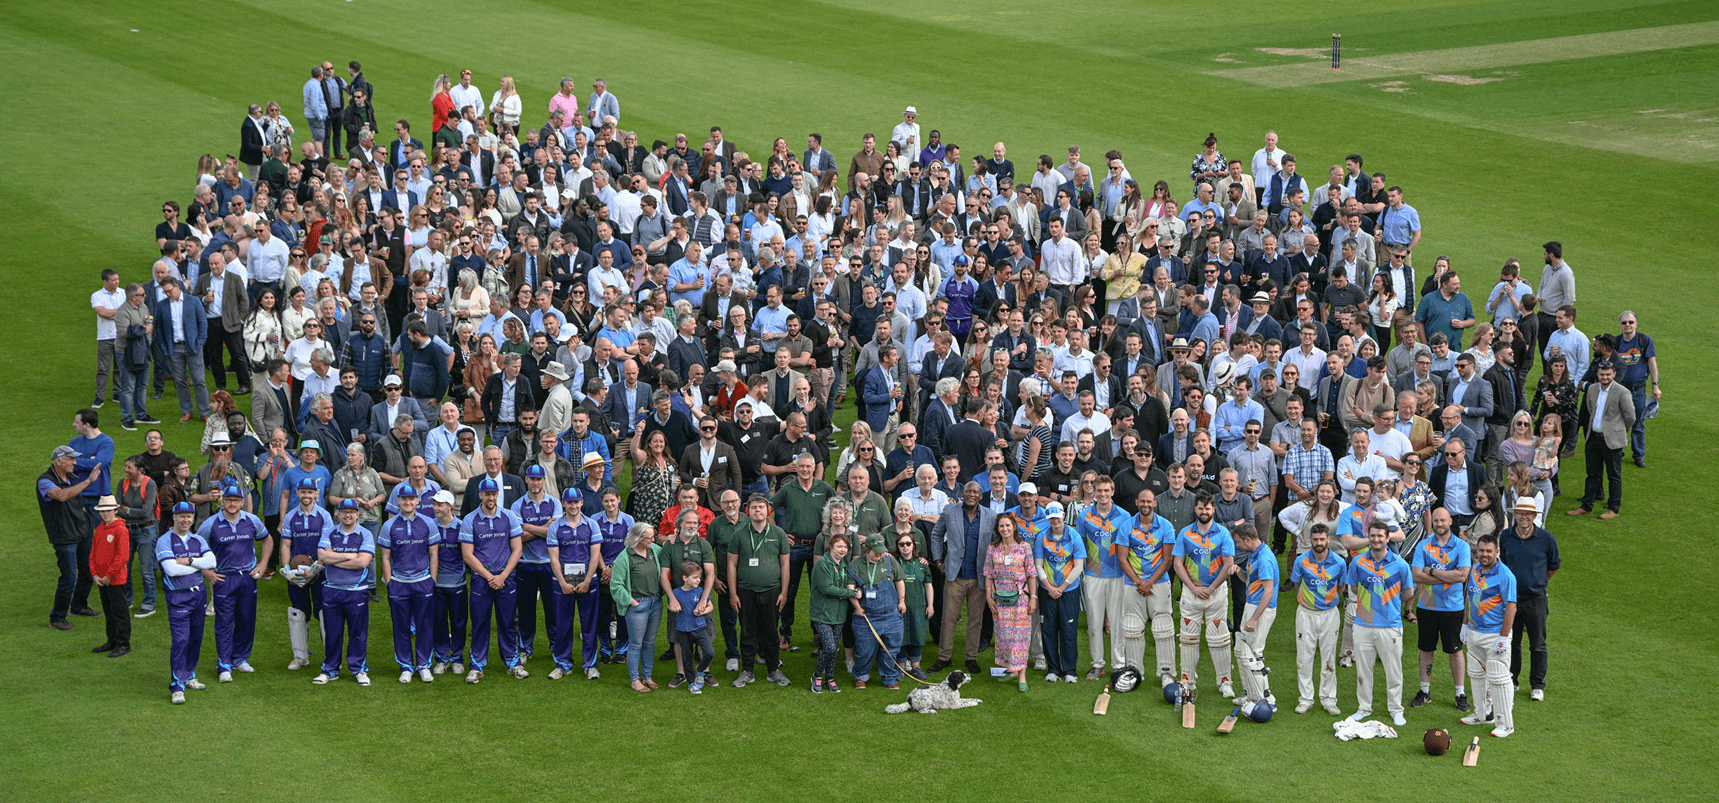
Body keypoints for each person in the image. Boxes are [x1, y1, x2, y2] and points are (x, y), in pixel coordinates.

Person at [196, 483, 271, 682]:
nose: (232, 504)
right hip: (223, 578)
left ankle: (240, 659)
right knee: (224, 622)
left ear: (242, 502)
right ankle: (224, 664)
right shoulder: (210, 524)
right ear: (222, 501)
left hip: (247, 577)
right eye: (228, 500)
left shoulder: (252, 521)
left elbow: (268, 540)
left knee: (246, 618)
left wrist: (263, 564)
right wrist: (207, 572)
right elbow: (196, 548)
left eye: (236, 500)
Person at [1344, 520, 1413, 726]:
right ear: (1369, 536)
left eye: (1380, 536)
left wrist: (1387, 603)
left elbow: (1408, 593)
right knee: (1363, 670)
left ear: (1387, 538)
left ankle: (1396, 709)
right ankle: (1364, 708)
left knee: (1393, 670)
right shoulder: (1357, 563)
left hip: (1390, 624)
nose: (1376, 539)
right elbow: (1354, 589)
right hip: (1363, 624)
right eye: (1372, 535)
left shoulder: (1400, 564)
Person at [459, 478, 525, 683]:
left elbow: (517, 549)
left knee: (507, 622)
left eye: (493, 494)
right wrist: (490, 577)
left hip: (506, 578)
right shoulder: (470, 519)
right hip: (482, 580)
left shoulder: (509, 517)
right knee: (479, 623)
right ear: (480, 495)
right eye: (486, 494)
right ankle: (477, 665)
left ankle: (513, 663)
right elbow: (467, 555)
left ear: (498, 495)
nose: (490, 497)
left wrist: (503, 576)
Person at [929, 481, 997, 674]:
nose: (971, 494)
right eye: (968, 491)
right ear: (963, 493)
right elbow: (936, 534)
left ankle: (971, 658)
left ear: (980, 495)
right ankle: (944, 658)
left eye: (975, 492)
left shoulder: (990, 515)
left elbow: (995, 542)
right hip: (954, 575)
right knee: (948, 619)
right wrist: (938, 560)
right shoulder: (950, 511)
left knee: (976, 620)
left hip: (979, 577)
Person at [1410, 508, 1473, 712]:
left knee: (1455, 650)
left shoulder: (1461, 546)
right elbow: (1416, 576)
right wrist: (1448, 575)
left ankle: (1460, 693)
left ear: (1449, 521)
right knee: (1426, 649)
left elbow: (1463, 576)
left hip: (1453, 608)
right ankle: (1425, 691)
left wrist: (1432, 571)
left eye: (1442, 520)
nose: (1439, 523)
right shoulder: (1423, 545)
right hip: (1427, 606)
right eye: (1436, 520)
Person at [1173, 492, 1235, 697]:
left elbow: (1228, 565)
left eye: (1207, 508)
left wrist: (1210, 588)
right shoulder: (1185, 533)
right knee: (1188, 638)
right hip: (1191, 593)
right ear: (1195, 509)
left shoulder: (1223, 533)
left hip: (1216, 592)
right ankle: (1187, 679)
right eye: (1200, 508)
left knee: (1220, 639)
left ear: (1213, 509)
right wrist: (1192, 587)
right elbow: (1177, 564)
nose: (1204, 512)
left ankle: (1225, 681)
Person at [727, 493, 791, 688]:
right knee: (747, 631)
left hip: (772, 591)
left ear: (768, 510)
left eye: (761, 507)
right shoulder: (738, 534)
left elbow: (785, 564)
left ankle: (773, 670)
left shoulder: (778, 533)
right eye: (754, 507)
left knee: (771, 631)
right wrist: (733, 593)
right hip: (746, 591)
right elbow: (731, 565)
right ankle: (747, 670)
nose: (757, 510)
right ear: (748, 511)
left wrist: (784, 592)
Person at [378, 485, 440, 683]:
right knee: (401, 627)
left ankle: (423, 665)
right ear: (398, 501)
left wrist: (432, 580)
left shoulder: (428, 523)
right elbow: (385, 558)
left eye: (411, 499)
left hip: (423, 582)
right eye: (403, 499)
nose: (407, 502)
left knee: (424, 625)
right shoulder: (389, 526)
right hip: (399, 583)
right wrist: (390, 583)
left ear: (417, 501)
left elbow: (433, 554)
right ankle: (406, 666)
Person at [1461, 532, 1520, 737]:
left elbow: (1511, 607)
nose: (1484, 554)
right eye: (1481, 550)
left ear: (1496, 552)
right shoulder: (1475, 570)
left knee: (1498, 678)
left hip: (1495, 635)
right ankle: (1481, 715)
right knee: (1476, 675)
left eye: (1488, 551)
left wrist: (1504, 637)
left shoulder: (1505, 575)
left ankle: (1505, 724)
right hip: (1474, 632)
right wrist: (1464, 624)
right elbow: (1470, 598)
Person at [156, 501, 215, 703]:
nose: (186, 519)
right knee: (181, 640)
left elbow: (212, 562)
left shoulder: (198, 540)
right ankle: (177, 685)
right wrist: (199, 565)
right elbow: (171, 570)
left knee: (196, 637)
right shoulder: (164, 541)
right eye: (182, 516)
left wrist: (189, 561)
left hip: (198, 594)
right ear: (174, 517)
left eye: (189, 516)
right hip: (177, 596)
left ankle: (189, 675)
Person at [313, 498, 375, 686]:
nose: (348, 515)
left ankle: (359, 669)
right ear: (338, 514)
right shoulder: (329, 532)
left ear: (358, 514)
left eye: (352, 512)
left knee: (358, 632)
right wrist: (349, 555)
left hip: (356, 591)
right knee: (332, 632)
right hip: (331, 589)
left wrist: (334, 558)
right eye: (344, 512)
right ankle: (330, 670)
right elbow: (322, 556)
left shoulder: (365, 534)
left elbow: (363, 562)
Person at [1075, 475, 1131, 680]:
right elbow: (1079, 546)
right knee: (1094, 621)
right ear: (1093, 491)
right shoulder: (1084, 516)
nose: (1103, 494)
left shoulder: (1125, 516)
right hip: (1093, 574)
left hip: (1118, 575)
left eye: (1106, 491)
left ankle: (1118, 664)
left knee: (1117, 622)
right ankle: (1097, 664)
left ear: (1112, 492)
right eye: (1099, 491)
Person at [1502, 498, 1558, 702]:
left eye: (1528, 513)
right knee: (1512, 642)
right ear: (1514, 515)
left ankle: (1537, 685)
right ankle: (1512, 679)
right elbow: (1504, 565)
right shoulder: (1505, 537)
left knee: (1538, 644)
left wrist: (1537, 582)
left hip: (1536, 600)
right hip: (1512, 600)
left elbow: (1554, 566)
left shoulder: (1546, 539)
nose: (1524, 517)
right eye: (1520, 513)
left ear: (1535, 516)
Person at [40, 444, 101, 630]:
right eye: (71, 459)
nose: (75, 462)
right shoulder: (44, 481)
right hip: (64, 536)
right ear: (59, 461)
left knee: (88, 572)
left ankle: (79, 606)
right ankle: (57, 618)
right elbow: (61, 496)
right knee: (68, 578)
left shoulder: (71, 477)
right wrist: (88, 481)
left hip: (82, 532)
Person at [1288, 523, 1346, 714]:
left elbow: (1341, 587)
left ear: (1328, 539)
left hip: (1330, 615)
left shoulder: (1338, 562)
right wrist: (1306, 601)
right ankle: (1305, 699)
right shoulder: (1301, 561)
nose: (1319, 543)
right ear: (1310, 540)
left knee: (1329, 658)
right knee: (1304, 657)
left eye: (1322, 539)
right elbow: (1296, 584)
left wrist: (1328, 601)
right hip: (1306, 614)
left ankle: (1329, 699)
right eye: (1315, 539)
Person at [1569, 360, 1634, 520]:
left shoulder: (1622, 392)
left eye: (1608, 374)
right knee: (1592, 474)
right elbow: (1590, 411)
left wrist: (1618, 431)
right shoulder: (1591, 389)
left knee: (1614, 475)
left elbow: (1630, 417)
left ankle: (1613, 508)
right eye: (1602, 374)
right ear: (1597, 375)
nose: (1605, 377)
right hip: (1593, 438)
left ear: (1614, 374)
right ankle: (1587, 505)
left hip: (1612, 440)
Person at [281, 478, 333, 670]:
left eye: (310, 492)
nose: (306, 495)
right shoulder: (290, 517)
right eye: (303, 492)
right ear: (297, 493)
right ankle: (300, 657)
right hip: (297, 572)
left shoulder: (324, 516)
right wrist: (287, 569)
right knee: (298, 613)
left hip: (320, 571)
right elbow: (286, 544)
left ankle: (331, 656)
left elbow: (326, 545)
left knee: (325, 612)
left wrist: (316, 567)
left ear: (316, 494)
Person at [847, 533, 906, 690]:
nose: (880, 554)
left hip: (891, 614)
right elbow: (850, 588)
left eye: (882, 551)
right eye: (876, 551)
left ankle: (889, 677)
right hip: (867, 616)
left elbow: (899, 580)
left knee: (891, 649)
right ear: (867, 549)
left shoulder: (889, 561)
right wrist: (857, 607)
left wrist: (902, 600)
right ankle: (860, 676)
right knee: (865, 650)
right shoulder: (856, 565)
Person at [610, 523, 664, 692]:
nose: (653, 540)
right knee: (635, 644)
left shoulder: (655, 550)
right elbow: (616, 586)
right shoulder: (624, 557)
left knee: (650, 642)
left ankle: (647, 677)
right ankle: (635, 680)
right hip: (638, 605)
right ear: (638, 538)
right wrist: (632, 602)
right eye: (649, 537)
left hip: (655, 603)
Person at [1032, 501, 1083, 683]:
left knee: (1068, 629)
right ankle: (1053, 668)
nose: (1054, 521)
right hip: (1047, 590)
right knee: (1049, 628)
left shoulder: (1074, 536)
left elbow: (1078, 567)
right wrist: (1050, 587)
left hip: (1069, 590)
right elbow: (1038, 565)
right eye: (1051, 518)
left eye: (1057, 517)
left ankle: (1070, 670)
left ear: (1063, 516)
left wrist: (1060, 588)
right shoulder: (1042, 537)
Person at [984, 515, 1036, 692]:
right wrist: (989, 597)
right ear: (997, 529)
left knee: (1020, 637)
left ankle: (1022, 675)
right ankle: (1010, 670)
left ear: (1014, 527)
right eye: (1001, 526)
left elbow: (1031, 574)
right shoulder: (993, 548)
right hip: (1000, 598)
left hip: (1020, 597)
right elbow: (988, 574)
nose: (1004, 529)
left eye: (1008, 525)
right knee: (1004, 636)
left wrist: (1033, 597)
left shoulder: (1024, 547)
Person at [1232, 522, 1278, 709]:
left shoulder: (1265, 558)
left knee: (1254, 654)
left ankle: (1267, 700)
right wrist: (1239, 571)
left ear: (1248, 539)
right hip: (1252, 606)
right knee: (1242, 650)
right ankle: (1251, 694)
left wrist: (1254, 619)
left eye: (1239, 542)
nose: (1238, 546)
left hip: (1260, 610)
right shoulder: (1254, 555)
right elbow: (1250, 580)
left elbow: (1268, 591)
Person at [810, 532, 860, 693]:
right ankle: (817, 676)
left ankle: (829, 678)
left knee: (831, 649)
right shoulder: (822, 564)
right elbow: (827, 588)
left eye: (845, 547)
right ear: (831, 546)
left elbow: (850, 583)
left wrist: (856, 589)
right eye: (839, 546)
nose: (842, 550)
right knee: (830, 648)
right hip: (822, 613)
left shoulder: (844, 566)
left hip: (839, 615)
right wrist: (850, 594)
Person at [89, 496, 132, 657]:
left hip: (115, 579)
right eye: (102, 511)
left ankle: (123, 643)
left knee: (120, 612)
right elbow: (92, 553)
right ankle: (112, 640)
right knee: (109, 611)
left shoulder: (120, 529)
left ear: (115, 511)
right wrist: (94, 574)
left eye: (108, 511)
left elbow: (122, 556)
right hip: (102, 580)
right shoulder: (99, 529)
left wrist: (108, 576)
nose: (106, 514)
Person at [668, 557, 717, 695]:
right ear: (685, 578)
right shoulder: (676, 592)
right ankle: (691, 683)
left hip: (700, 628)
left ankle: (700, 670)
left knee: (709, 653)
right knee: (687, 658)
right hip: (683, 630)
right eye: (695, 577)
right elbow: (670, 605)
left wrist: (702, 611)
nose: (698, 580)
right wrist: (673, 608)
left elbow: (710, 606)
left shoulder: (701, 591)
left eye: (699, 577)